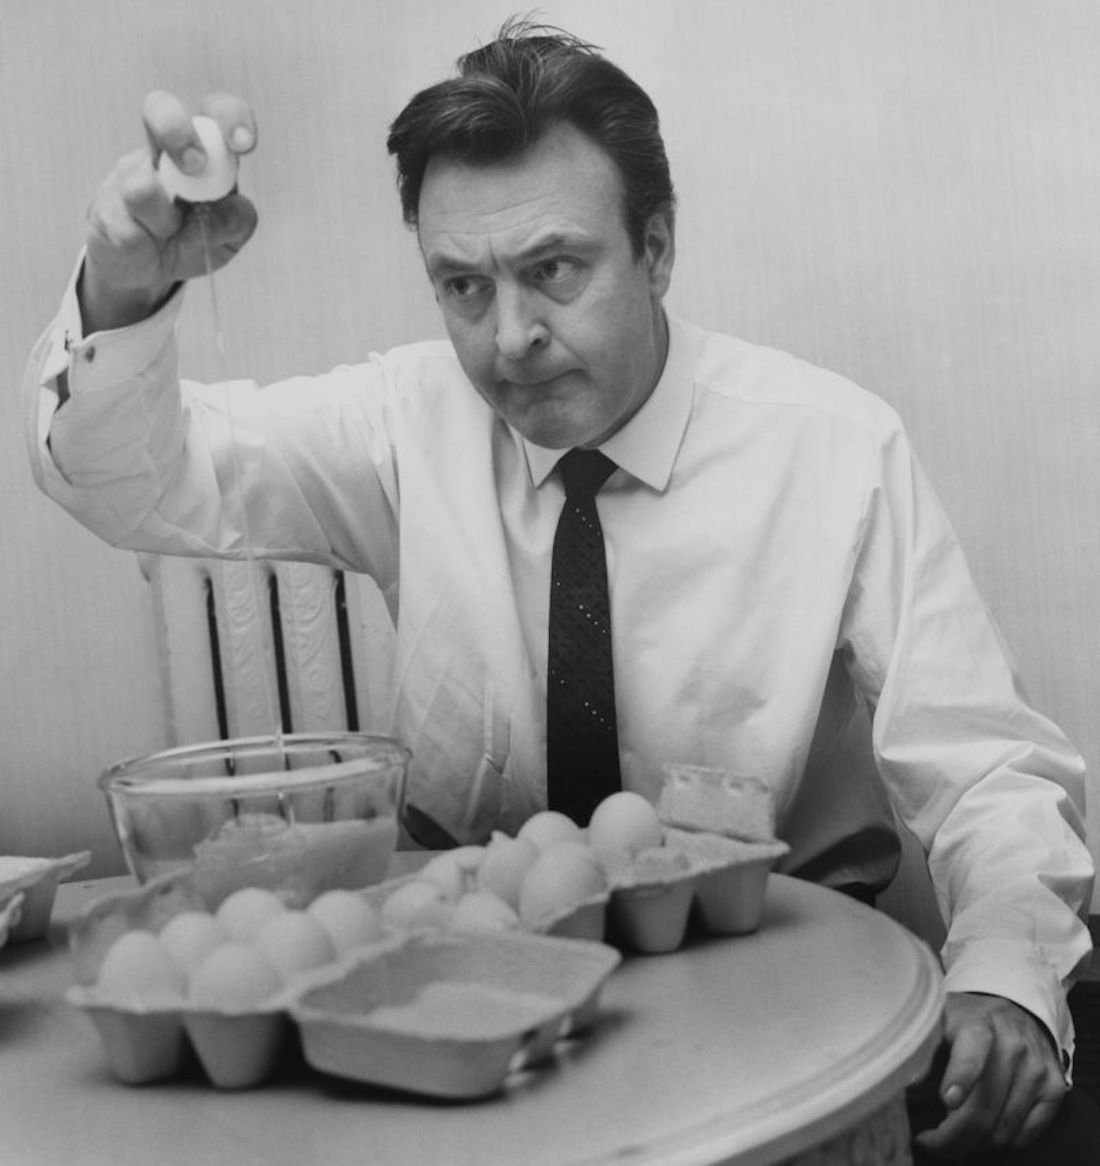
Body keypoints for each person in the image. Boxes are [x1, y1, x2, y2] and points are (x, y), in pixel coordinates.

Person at [22, 18, 1096, 1161]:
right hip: (469, 999)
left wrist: (1007, 974)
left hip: (768, 971)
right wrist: (126, 285)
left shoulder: (831, 448)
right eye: (461, 285)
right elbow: (132, 482)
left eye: (553, 270)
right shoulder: (400, 419)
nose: (511, 338)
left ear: (658, 247)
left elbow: (981, 765)